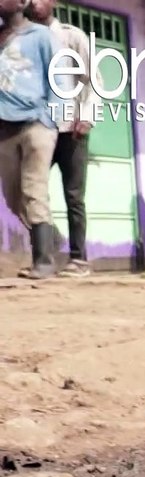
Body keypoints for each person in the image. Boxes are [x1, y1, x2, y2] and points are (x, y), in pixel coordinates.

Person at [28, 0, 97, 277]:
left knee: (73, 196)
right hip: (37, 129)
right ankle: (42, 259)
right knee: (31, 194)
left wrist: (88, 116)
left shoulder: (72, 36)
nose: (34, 2)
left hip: (71, 128)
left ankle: (79, 260)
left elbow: (93, 80)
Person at [0, 0, 62, 279]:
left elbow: (59, 78)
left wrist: (51, 119)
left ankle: (44, 262)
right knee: (14, 198)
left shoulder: (41, 36)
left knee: (34, 188)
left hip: (36, 122)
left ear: (22, 3)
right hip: (4, 128)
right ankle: (48, 239)